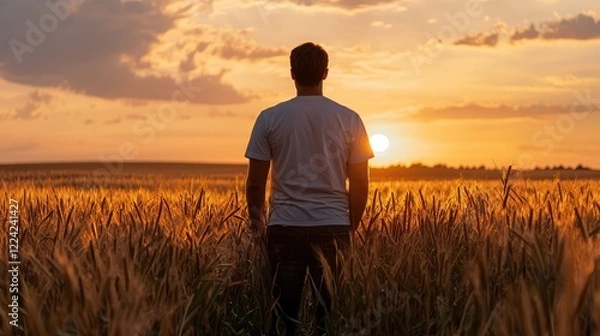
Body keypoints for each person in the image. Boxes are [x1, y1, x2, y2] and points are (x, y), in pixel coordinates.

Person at [245, 42, 374, 335]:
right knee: (328, 319)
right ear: (325, 74)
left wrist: (257, 226)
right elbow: (361, 182)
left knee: (282, 319)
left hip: (284, 227)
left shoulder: (269, 118)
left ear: (292, 74)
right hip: (333, 227)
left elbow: (255, 183)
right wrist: (349, 225)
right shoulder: (350, 118)